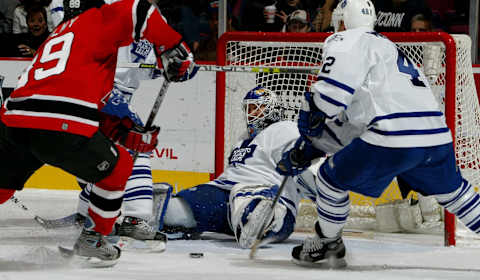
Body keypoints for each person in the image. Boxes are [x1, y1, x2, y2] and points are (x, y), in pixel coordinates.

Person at [276, 0, 480, 267]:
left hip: (393, 137)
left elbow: (329, 99)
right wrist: (311, 148)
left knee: (328, 180)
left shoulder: (345, 40)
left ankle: (328, 242)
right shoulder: (388, 46)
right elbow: (356, 122)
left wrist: (310, 115)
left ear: (341, 21)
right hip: (434, 136)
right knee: (456, 193)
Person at [0, 0, 197, 266]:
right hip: (60, 118)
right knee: (119, 167)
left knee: (3, 182)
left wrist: (124, 134)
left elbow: (93, 105)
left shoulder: (64, 35)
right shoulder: (99, 18)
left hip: (15, 116)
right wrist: (173, 47)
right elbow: (141, 10)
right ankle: (95, 237)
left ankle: (95, 215)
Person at [156, 86, 362, 248]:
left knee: (247, 201)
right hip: (224, 193)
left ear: (272, 109)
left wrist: (327, 202)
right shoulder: (242, 139)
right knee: (176, 208)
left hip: (269, 196)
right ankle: (147, 216)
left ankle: (265, 219)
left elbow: (308, 166)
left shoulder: (284, 129)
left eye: (257, 107)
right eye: (249, 108)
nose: (251, 113)